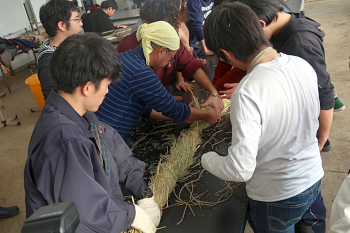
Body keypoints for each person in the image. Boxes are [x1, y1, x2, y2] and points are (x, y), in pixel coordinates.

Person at [201, 2, 326, 232]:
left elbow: (240, 169)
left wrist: (206, 159)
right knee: (313, 225)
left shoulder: (247, 91)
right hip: (313, 179)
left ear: (227, 54)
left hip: (277, 197)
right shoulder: (301, 64)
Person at [24, 33, 160, 233]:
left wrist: (142, 190)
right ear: (87, 87)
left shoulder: (82, 112)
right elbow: (85, 212)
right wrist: (131, 214)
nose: (107, 90)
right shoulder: (63, 140)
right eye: (106, 84)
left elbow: (110, 145)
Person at [213, 0, 338, 152]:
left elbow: (323, 91)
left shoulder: (300, 44)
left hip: (307, 125)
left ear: (260, 25)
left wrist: (322, 138)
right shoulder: (279, 15)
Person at [96, 21, 220, 138]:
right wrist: (208, 115)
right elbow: (173, 109)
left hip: (99, 129)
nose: (170, 64)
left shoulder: (125, 58)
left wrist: (183, 113)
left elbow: (144, 107)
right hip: (104, 136)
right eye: (171, 57)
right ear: (161, 50)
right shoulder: (141, 72)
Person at [117, 0, 222, 112]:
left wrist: (213, 93)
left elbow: (190, 64)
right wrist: (163, 101)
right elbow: (139, 99)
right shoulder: (128, 48)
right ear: (146, 24)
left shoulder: (170, 40)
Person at [37, 0, 83, 101]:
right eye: (77, 19)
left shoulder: (65, 49)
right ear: (62, 25)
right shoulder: (50, 62)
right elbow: (55, 104)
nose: (81, 23)